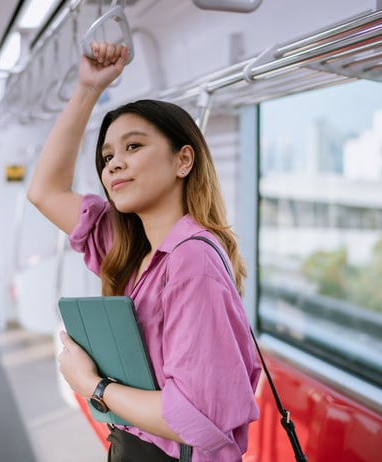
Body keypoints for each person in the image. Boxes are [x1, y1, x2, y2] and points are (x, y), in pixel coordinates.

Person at [27, 42, 261, 462]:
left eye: (133, 147)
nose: (114, 164)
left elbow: (193, 416)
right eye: (107, 156)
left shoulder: (193, 259)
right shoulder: (132, 253)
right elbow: (45, 191)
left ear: (182, 161)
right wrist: (87, 88)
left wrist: (93, 386)